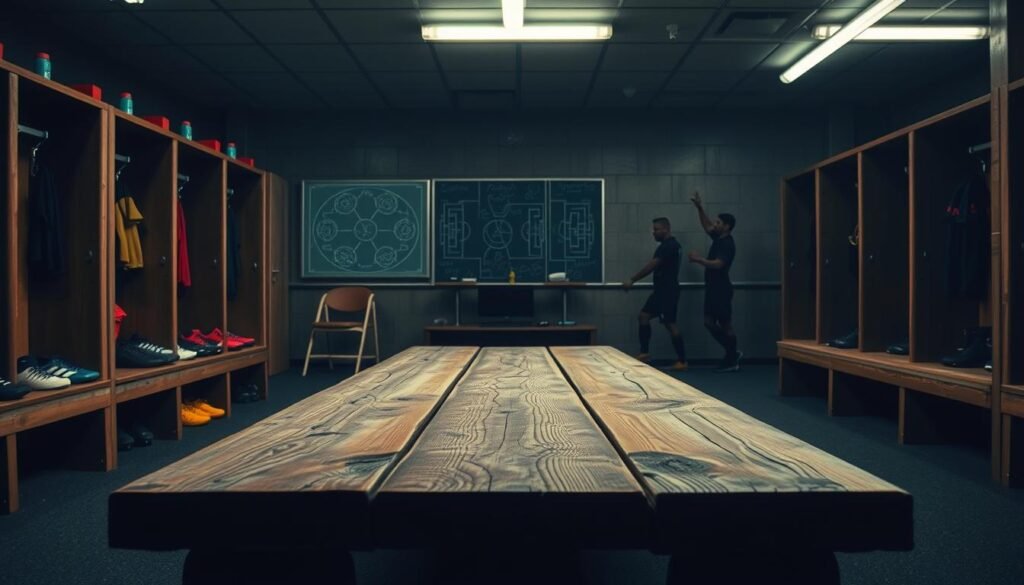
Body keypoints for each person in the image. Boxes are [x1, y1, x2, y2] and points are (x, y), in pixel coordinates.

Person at [623, 217, 688, 371]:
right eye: (654, 229)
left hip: (667, 291)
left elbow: (652, 266)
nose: (654, 232)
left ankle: (682, 361)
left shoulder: (668, 246)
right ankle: (644, 353)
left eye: (656, 229)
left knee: (670, 324)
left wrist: (632, 279)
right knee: (644, 316)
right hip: (662, 291)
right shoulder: (671, 245)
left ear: (666, 229)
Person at [688, 191, 741, 372]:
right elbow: (707, 226)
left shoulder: (728, 244)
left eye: (718, 223)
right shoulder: (719, 238)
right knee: (709, 322)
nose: (715, 224)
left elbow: (718, 264)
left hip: (721, 289)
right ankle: (732, 353)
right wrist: (699, 207)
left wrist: (698, 260)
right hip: (712, 288)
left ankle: (732, 358)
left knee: (725, 324)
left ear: (726, 226)